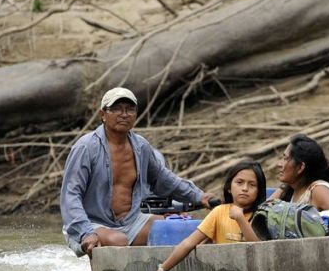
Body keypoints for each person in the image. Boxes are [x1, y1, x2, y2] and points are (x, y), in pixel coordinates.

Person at [60, 87, 216, 257]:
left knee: (190, 231)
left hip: (131, 221)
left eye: (130, 109)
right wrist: (85, 231)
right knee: (118, 240)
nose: (124, 114)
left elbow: (162, 179)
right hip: (91, 223)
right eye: (117, 109)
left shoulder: (141, 146)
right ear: (102, 114)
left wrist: (199, 196)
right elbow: (70, 194)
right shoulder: (86, 147)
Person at [144, 161, 266, 271]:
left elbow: (257, 249)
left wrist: (240, 218)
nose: (245, 188)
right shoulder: (219, 212)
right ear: (229, 187)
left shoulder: (262, 214)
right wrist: (162, 270)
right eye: (239, 182)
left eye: (252, 185)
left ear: (258, 191)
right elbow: (188, 243)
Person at [269, 134, 329, 211]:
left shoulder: (318, 190)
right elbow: (263, 211)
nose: (279, 164)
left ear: (300, 167)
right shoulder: (290, 189)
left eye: (285, 158)